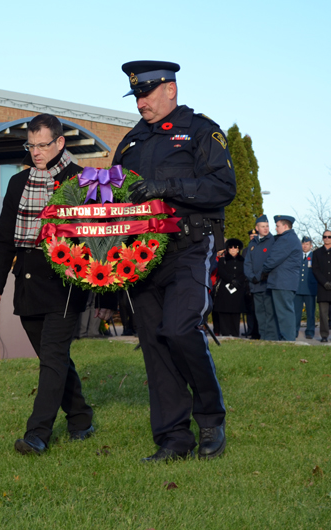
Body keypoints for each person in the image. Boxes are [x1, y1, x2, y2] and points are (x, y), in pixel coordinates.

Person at [114, 60, 235, 462]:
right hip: (141, 256)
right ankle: (174, 438)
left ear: (170, 89)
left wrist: (166, 187)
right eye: (136, 96)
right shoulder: (130, 142)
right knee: (154, 343)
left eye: (146, 94)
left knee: (181, 329)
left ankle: (211, 417)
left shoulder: (201, 131)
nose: (141, 103)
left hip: (189, 246)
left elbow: (223, 186)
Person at [0, 114, 113, 455]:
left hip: (66, 283)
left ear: (59, 143)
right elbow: (3, 238)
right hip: (26, 281)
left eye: (43, 145)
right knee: (53, 359)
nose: (36, 152)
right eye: (31, 145)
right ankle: (81, 418)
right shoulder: (18, 182)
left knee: (52, 358)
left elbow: (98, 235)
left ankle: (37, 434)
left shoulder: (82, 181)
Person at [261, 215, 302, 341]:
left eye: (277, 226)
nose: (275, 228)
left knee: (284, 312)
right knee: (283, 311)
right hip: (284, 281)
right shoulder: (290, 238)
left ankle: (288, 339)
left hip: (282, 282)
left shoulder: (286, 239)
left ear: (285, 226)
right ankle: (283, 338)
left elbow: (273, 259)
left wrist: (262, 271)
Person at [244, 215, 278, 340]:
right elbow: (247, 263)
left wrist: (259, 276)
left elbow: (271, 261)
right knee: (259, 313)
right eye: (263, 226)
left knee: (269, 312)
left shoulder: (273, 241)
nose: (266, 228)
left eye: (267, 226)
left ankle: (271, 338)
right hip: (255, 285)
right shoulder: (252, 243)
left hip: (267, 283)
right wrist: (251, 277)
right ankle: (263, 337)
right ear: (257, 228)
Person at [212, 239, 247, 337]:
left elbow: (244, 272)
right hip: (225, 288)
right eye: (231, 247)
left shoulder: (243, 260)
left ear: (238, 249)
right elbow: (221, 271)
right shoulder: (223, 260)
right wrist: (231, 280)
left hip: (238, 289)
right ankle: (225, 333)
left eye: (235, 247)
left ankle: (235, 333)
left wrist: (238, 281)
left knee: (235, 313)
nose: (233, 249)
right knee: (224, 312)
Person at [294, 236, 317, 339]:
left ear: (311, 246)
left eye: (307, 244)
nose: (305, 246)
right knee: (296, 312)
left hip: (310, 288)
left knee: (310, 312)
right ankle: (294, 331)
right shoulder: (297, 256)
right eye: (303, 244)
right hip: (298, 288)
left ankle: (310, 331)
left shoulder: (314, 257)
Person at [243, 228, 260, 339]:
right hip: (247, 283)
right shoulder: (245, 250)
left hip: (257, 281)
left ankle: (257, 331)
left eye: (255, 236)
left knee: (257, 308)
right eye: (251, 236)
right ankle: (250, 329)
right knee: (249, 309)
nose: (253, 237)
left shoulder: (259, 248)